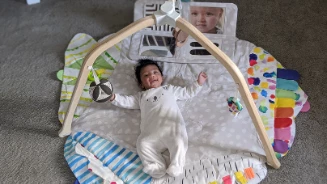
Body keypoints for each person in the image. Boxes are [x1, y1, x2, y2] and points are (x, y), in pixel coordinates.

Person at [109, 59, 207, 178]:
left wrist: (198, 83)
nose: (152, 75)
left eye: (155, 72)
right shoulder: (141, 97)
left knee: (179, 141)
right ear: (141, 84)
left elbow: (187, 92)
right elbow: (126, 101)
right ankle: (156, 167)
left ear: (162, 77)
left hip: (171, 129)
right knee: (142, 144)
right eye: (146, 75)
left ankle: (177, 164)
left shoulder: (169, 89)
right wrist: (113, 97)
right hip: (151, 134)